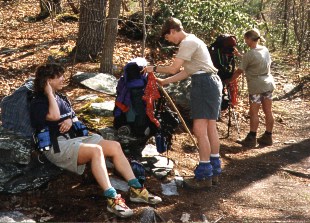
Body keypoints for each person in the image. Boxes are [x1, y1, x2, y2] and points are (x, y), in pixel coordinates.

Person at [30, 63, 162, 218]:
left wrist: (71, 121)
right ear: (48, 80)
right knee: (96, 150)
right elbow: (54, 116)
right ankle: (112, 198)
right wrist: (48, 93)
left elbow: (73, 116)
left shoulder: (61, 97)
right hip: (58, 146)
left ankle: (136, 189)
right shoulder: (38, 102)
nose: (63, 79)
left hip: (76, 139)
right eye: (58, 76)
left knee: (114, 146)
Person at [145, 17, 223, 186]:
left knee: (199, 129)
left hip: (203, 84)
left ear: (172, 31)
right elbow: (186, 71)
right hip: (211, 82)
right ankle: (214, 170)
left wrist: (154, 68)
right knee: (210, 127)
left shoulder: (187, 42)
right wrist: (164, 81)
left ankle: (204, 175)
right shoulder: (194, 41)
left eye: (168, 37)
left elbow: (174, 68)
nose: (170, 41)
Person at [230, 28, 276, 147]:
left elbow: (240, 70)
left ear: (250, 39)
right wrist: (239, 55)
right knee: (268, 111)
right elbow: (254, 61)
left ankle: (252, 137)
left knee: (254, 112)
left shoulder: (250, 54)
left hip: (256, 86)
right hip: (268, 83)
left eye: (246, 39)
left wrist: (228, 81)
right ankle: (268, 136)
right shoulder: (264, 49)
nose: (245, 41)